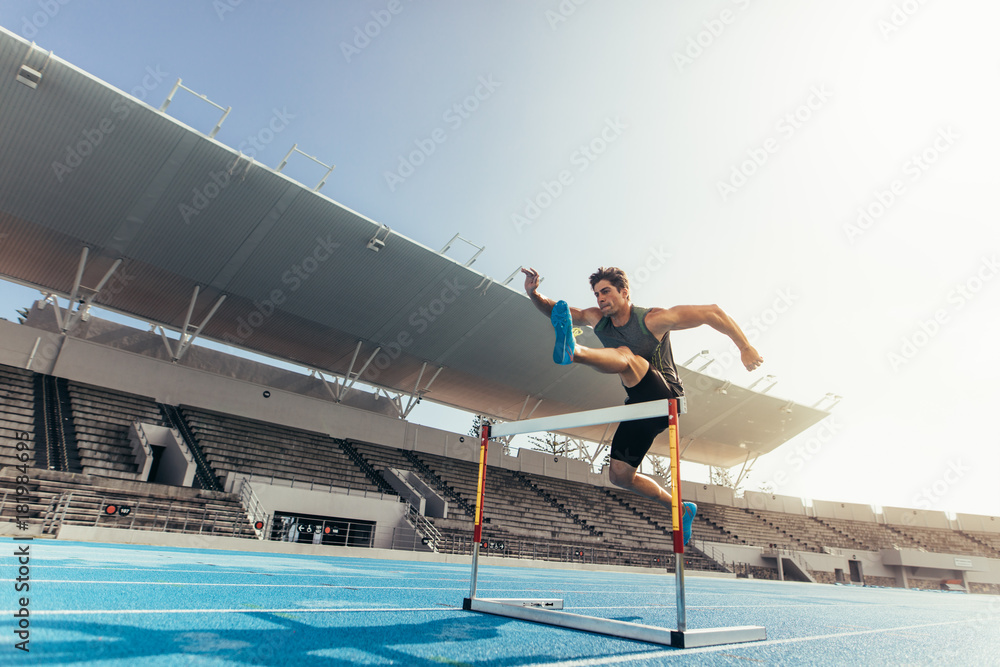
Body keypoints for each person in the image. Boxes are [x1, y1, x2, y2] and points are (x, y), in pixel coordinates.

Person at [522, 266, 763, 546]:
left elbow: (712, 312)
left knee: (626, 356)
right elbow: (556, 310)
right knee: (620, 476)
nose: (600, 299)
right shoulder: (595, 318)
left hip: (666, 398)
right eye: (597, 293)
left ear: (624, 292)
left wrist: (745, 347)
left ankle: (573, 351)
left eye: (607, 292)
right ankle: (680, 508)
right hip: (638, 405)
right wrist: (534, 293)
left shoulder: (653, 319)